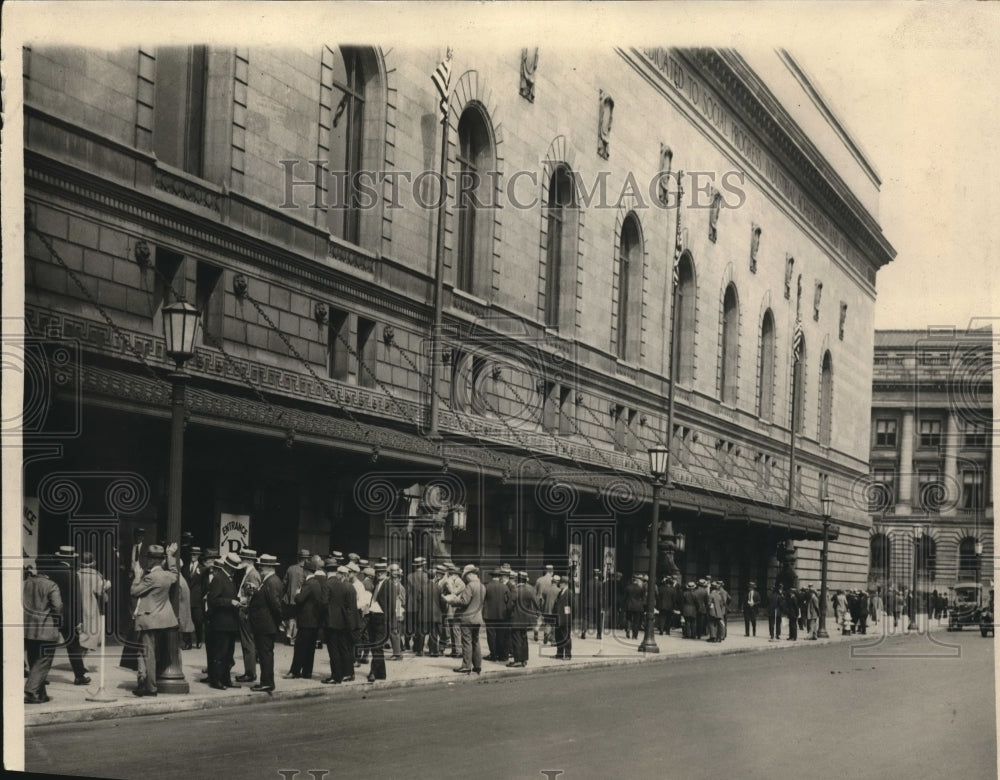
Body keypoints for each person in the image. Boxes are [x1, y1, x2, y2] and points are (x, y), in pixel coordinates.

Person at [129, 543, 180, 696]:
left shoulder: (151, 577)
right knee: (145, 652)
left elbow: (134, 592)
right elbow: (174, 571)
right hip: (162, 619)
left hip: (148, 619)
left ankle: (150, 687)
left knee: (147, 653)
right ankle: (143, 679)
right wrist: (171, 555)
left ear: (151, 561)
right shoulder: (168, 576)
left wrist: (137, 577)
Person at [49, 546, 90, 685]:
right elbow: (76, 599)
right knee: (73, 646)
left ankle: (40, 676)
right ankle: (79, 676)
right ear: (71, 559)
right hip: (68, 617)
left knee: (48, 646)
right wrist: (78, 620)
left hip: (52, 615)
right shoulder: (72, 574)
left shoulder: (51, 572)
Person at [24, 563, 63, 703]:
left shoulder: (25, 583)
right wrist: (59, 624)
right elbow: (57, 607)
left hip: (27, 629)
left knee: (34, 660)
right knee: (43, 661)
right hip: (46, 628)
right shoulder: (51, 585)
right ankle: (30, 692)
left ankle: (41, 694)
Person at [247, 553, 283, 692]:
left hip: (266, 625)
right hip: (265, 625)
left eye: (262, 566)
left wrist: (279, 621)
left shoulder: (271, 582)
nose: (260, 569)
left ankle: (267, 682)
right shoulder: (270, 581)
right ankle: (266, 681)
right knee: (265, 654)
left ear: (268, 567)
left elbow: (275, 605)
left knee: (265, 654)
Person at [207, 551, 242, 690]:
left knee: (228, 654)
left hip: (230, 623)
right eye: (233, 568)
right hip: (221, 623)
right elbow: (213, 600)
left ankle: (226, 679)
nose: (234, 570)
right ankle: (216, 680)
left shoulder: (229, 578)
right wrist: (230, 602)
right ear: (228, 566)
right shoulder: (219, 578)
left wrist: (238, 601)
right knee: (220, 653)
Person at [287, 557, 325, 679]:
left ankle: (295, 671)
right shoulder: (317, 583)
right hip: (314, 621)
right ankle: (307, 672)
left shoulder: (309, 583)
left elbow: (299, 599)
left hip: (306, 621)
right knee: (310, 649)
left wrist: (298, 593)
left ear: (306, 571)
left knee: (300, 647)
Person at [323, 565, 359, 684]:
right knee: (344, 649)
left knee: (338, 650)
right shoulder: (349, 587)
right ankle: (348, 673)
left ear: (343, 575)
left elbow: (347, 608)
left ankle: (340, 675)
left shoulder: (344, 586)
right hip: (346, 623)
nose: (336, 576)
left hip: (340, 623)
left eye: (338, 574)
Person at [447, 564, 486, 674]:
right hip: (478, 618)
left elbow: (464, 601)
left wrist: (452, 601)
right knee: (476, 642)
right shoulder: (482, 586)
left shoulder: (470, 586)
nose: (466, 578)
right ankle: (477, 665)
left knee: (467, 642)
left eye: (466, 576)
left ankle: (466, 666)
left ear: (470, 575)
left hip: (468, 619)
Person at [77, 552, 111, 659]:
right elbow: (100, 591)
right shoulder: (96, 576)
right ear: (93, 562)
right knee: (90, 633)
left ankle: (80, 660)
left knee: (80, 633)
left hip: (78, 607)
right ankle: (83, 660)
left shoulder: (76, 574)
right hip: (90, 607)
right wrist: (107, 585)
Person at [235, 548, 261, 683]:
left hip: (246, 611)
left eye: (243, 559)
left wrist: (245, 607)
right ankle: (249, 671)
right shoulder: (248, 573)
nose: (241, 561)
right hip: (245, 610)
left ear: (249, 561)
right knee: (247, 643)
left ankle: (250, 673)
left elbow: (253, 596)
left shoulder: (252, 575)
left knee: (248, 643)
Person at [366, 563, 390, 682]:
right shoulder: (377, 584)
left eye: (381, 571)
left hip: (382, 618)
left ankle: (373, 672)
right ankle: (382, 673)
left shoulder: (389, 584)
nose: (379, 573)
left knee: (377, 646)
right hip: (373, 616)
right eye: (377, 571)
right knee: (375, 645)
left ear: (386, 573)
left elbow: (391, 605)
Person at [508, 571, 537, 667]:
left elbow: (510, 605)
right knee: (524, 639)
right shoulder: (529, 590)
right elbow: (535, 604)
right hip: (525, 619)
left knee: (516, 639)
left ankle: (517, 660)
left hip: (516, 619)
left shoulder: (515, 590)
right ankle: (524, 659)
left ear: (518, 580)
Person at [282, 549, 309, 645]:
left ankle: (289, 636)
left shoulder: (291, 568)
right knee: (298, 618)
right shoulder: (307, 571)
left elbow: (284, 583)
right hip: (301, 598)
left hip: (290, 598)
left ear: (298, 558)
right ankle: (294, 638)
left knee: (291, 617)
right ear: (307, 559)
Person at [484, 568, 511, 662]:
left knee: (491, 636)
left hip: (489, 615)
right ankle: (501, 655)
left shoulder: (487, 586)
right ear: (499, 577)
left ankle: (493, 655)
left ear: (492, 576)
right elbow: (508, 601)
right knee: (500, 635)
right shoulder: (505, 587)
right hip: (502, 615)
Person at [406, 557, 430, 656]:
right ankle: (419, 647)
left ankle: (411, 645)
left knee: (413, 625)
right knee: (421, 626)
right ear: (423, 565)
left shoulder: (410, 576)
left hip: (412, 604)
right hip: (423, 604)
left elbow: (408, 591)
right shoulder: (426, 576)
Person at [185, 546, 205, 649]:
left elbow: (204, 585)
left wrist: (202, 596)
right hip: (187, 598)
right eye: (192, 554)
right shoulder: (185, 567)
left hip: (197, 599)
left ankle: (199, 640)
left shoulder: (202, 569)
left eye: (195, 554)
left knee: (198, 621)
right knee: (187, 620)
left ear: (198, 556)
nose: (193, 556)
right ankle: (188, 642)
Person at [387, 564, 406, 660]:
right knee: (393, 632)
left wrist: (397, 615)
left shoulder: (400, 587)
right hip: (393, 611)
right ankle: (397, 652)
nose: (393, 578)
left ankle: (397, 654)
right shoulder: (392, 586)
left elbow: (403, 601)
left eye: (395, 577)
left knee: (395, 632)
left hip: (397, 611)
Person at [553, 574, 573, 659]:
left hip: (565, 619)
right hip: (558, 619)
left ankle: (568, 654)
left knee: (566, 637)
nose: (559, 585)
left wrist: (568, 616)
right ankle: (559, 653)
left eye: (560, 583)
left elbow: (572, 606)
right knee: (558, 636)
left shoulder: (569, 593)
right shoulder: (560, 592)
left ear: (564, 584)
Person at [534, 564, 554, 642]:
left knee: (540, 617)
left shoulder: (539, 580)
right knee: (549, 619)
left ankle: (536, 628)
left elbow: (535, 592)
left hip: (539, 601)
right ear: (551, 571)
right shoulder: (552, 580)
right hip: (548, 602)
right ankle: (546, 633)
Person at [623, 574, 645, 640]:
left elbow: (624, 597)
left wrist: (624, 605)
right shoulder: (640, 588)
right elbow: (642, 597)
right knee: (636, 621)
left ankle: (628, 630)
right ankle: (634, 635)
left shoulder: (628, 587)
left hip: (629, 605)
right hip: (638, 606)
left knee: (628, 619)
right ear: (637, 581)